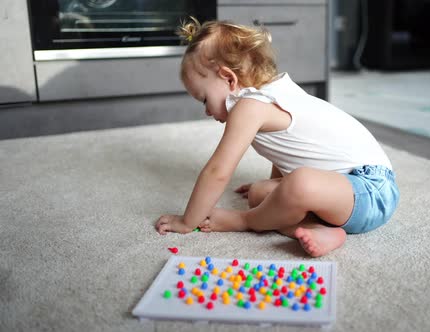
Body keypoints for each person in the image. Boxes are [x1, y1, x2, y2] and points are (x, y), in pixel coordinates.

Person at [155, 19, 400, 257]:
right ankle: (322, 231)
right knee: (261, 195)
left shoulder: (249, 106)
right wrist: (278, 190)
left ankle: (246, 221)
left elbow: (218, 171)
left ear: (229, 78)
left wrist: (188, 221)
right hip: (340, 192)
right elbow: (287, 150)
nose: (207, 111)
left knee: (298, 184)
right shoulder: (275, 91)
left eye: (205, 99)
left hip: (371, 190)